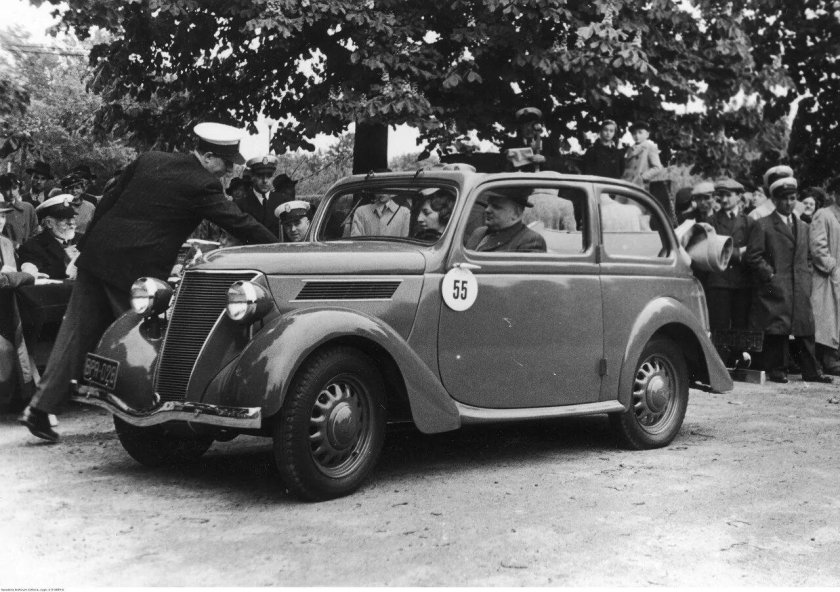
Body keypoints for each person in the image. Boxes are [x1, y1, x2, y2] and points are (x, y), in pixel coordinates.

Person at [18, 122, 278, 442]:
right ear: (209, 157)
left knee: (73, 335)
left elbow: (109, 198)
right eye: (226, 164)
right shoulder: (202, 184)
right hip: (134, 272)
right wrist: (282, 249)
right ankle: (152, 422)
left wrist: (87, 247)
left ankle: (39, 409)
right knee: (143, 343)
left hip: (97, 257)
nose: (227, 172)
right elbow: (239, 222)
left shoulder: (151, 159)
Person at [745, 176, 831, 384]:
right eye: (784, 199)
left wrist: (807, 276)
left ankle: (811, 371)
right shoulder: (763, 225)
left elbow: (808, 256)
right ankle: (778, 369)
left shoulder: (803, 226)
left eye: (792, 198)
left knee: (805, 328)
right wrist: (770, 275)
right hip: (777, 285)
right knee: (778, 328)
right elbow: (753, 256)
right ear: (774, 200)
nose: (789, 203)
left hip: (799, 284)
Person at [705, 178, 755, 365]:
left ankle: (738, 359)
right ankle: (720, 363)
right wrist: (737, 254)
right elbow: (711, 248)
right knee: (720, 325)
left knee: (740, 322)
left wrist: (740, 253)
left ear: (739, 196)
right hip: (719, 281)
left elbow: (754, 249)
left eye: (728, 195)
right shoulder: (711, 221)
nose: (724, 200)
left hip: (742, 282)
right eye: (721, 195)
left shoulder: (749, 222)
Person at [0, 203, 44, 409]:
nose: (0, 221)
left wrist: (21, 273)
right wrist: (27, 276)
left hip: (8, 308)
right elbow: (5, 280)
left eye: (2, 216)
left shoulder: (6, 243)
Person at [808, 178, 840, 374]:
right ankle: (827, 358)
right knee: (826, 319)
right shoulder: (824, 215)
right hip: (826, 278)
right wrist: (832, 266)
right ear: (836, 194)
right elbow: (818, 247)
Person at [19, 195, 82, 280]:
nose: (71, 223)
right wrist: (65, 261)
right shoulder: (32, 247)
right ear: (49, 223)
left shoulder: (83, 239)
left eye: (72, 217)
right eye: (64, 219)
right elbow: (34, 274)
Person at [465, 188, 547, 252]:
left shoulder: (531, 241)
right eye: (488, 204)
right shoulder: (478, 233)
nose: (487, 209)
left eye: (496, 206)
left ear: (516, 214)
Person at [234, 155, 290, 238]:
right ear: (253, 177)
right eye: (260, 176)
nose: (265, 181)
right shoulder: (241, 204)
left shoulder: (282, 201)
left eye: (269, 176)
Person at [502, 107, 547, 172]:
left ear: (537, 126)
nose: (529, 128)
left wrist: (544, 159)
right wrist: (509, 160)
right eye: (526, 125)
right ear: (520, 127)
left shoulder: (547, 143)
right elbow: (500, 163)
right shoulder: (510, 144)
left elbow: (560, 163)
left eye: (532, 125)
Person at [0, 173, 38, 248]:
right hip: (6, 252)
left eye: (14, 188)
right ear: (1, 190)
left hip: (28, 253)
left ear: (18, 188)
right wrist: (14, 245)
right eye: (7, 189)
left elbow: (35, 232)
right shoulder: (1, 210)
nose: (11, 193)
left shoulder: (28, 208)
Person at [622, 121, 663, 187]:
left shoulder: (649, 147)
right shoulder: (630, 149)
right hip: (627, 182)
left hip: (640, 184)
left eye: (640, 132)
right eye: (634, 133)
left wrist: (643, 177)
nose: (637, 135)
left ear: (647, 134)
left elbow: (657, 168)